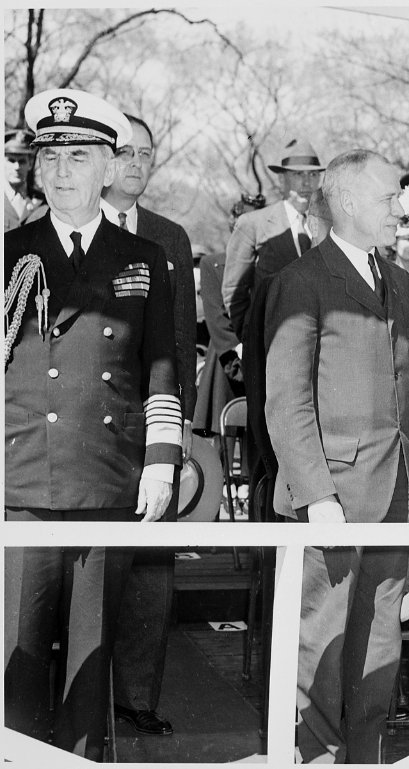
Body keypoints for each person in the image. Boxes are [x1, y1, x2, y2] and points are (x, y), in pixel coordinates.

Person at [4, 88, 181, 761]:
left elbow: (161, 364)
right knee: (16, 659)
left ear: (109, 168)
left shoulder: (144, 260)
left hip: (109, 480)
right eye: (50, 156)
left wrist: (161, 460)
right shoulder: (7, 254)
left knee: (92, 656)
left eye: (79, 156)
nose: (62, 170)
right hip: (21, 481)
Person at [263, 148, 409, 763]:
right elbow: (286, 402)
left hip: (395, 489)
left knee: (380, 642)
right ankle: (316, 760)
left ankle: (364, 758)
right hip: (333, 499)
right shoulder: (300, 282)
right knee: (323, 643)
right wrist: (316, 496)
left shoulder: (396, 280)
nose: (402, 209)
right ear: (344, 202)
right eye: (389, 198)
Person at [97, 113, 196, 737]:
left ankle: (135, 698)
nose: (136, 163)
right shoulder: (61, 231)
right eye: (125, 152)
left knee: (151, 566)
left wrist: (177, 429)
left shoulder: (170, 238)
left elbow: (181, 339)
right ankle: (76, 698)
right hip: (87, 427)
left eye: (146, 153)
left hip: (152, 424)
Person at [221, 138, 323, 341]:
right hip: (271, 346)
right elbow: (234, 291)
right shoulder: (253, 223)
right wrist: (253, 341)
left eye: (313, 174)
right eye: (297, 174)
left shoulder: (331, 225)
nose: (306, 183)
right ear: (282, 180)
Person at [193, 194, 266, 435]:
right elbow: (217, 318)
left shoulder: (269, 264)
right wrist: (241, 353)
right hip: (229, 360)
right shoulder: (212, 264)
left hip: (266, 360)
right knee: (224, 442)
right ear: (233, 224)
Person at [4, 127, 47, 232]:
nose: (17, 167)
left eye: (22, 161)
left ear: (30, 163)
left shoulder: (43, 204)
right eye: (11, 160)